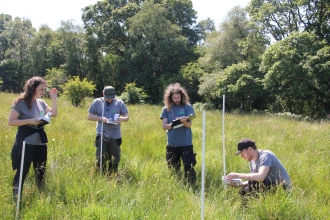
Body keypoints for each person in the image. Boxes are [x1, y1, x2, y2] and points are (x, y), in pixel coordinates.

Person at [8, 76, 58, 202]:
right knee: (22, 170)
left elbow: (54, 113)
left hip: (40, 141)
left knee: (40, 170)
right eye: (41, 89)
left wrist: (54, 99)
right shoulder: (20, 102)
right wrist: (30, 121)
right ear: (32, 88)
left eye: (44, 89)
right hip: (26, 141)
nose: (43, 92)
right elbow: (11, 121)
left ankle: (41, 195)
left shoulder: (40, 102)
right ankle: (16, 198)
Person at [226, 138, 292, 197]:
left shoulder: (265, 155)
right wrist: (241, 184)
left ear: (250, 149)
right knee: (244, 190)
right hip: (269, 185)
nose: (242, 156)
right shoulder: (252, 161)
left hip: (282, 189)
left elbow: (260, 177)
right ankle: (246, 210)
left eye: (243, 153)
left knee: (253, 187)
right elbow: (255, 179)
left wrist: (238, 175)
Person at [160, 83, 197, 188]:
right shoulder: (166, 109)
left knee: (189, 166)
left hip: (186, 143)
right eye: (174, 98)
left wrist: (184, 122)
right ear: (170, 98)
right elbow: (164, 126)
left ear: (182, 96)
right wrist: (175, 123)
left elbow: (189, 125)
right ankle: (176, 186)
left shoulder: (187, 107)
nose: (177, 99)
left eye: (178, 97)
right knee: (173, 168)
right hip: (172, 143)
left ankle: (192, 186)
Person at [87, 86, 129, 175]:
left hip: (115, 135)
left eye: (111, 97)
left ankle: (113, 174)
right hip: (101, 134)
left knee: (114, 157)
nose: (110, 99)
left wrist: (121, 119)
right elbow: (89, 116)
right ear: (103, 94)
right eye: (108, 97)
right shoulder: (97, 102)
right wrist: (102, 118)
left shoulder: (119, 103)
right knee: (101, 156)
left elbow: (127, 117)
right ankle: (100, 175)